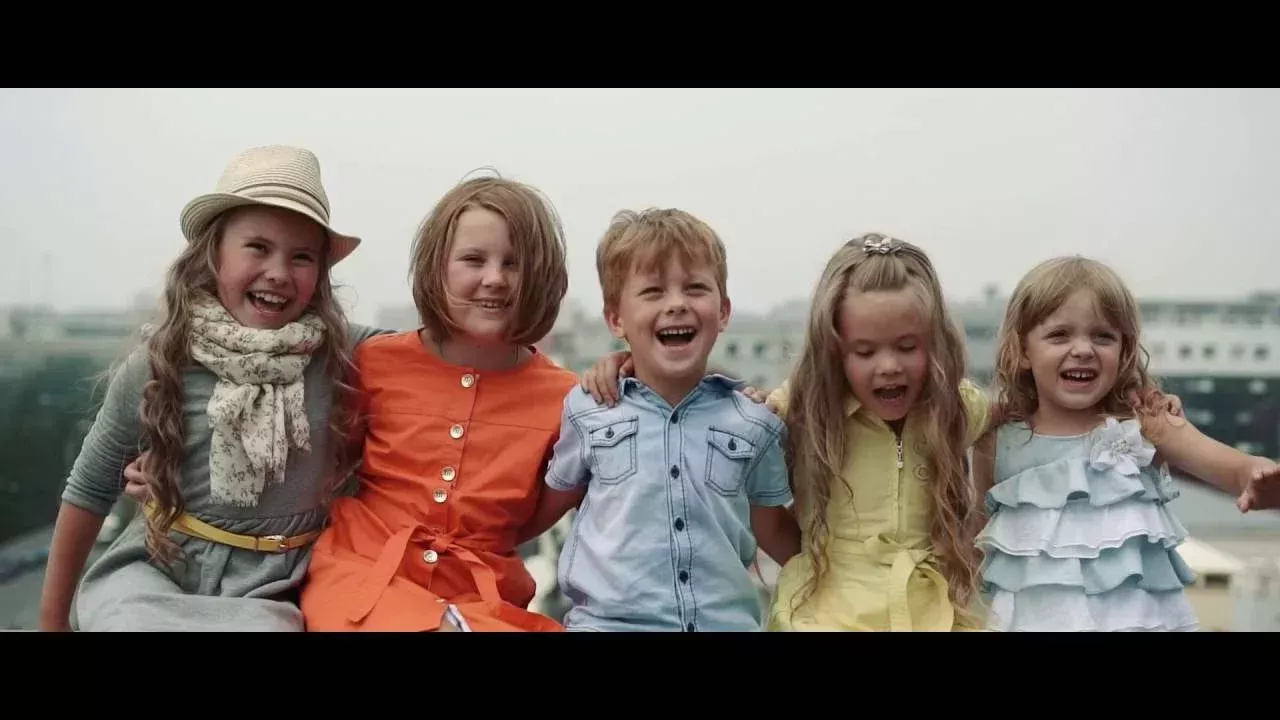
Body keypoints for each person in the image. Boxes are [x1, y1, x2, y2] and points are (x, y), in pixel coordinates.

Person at [39, 144, 381, 631]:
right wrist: (52, 622)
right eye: (257, 247)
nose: (279, 272)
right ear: (212, 253)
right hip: (159, 570)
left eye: (302, 257)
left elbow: (436, 354)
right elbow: (90, 488)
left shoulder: (346, 356)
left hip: (277, 586)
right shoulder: (161, 362)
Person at [583, 233, 992, 631]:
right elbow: (702, 409)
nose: (888, 366)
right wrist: (627, 364)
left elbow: (1014, 417)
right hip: (824, 615)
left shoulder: (954, 408)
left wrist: (973, 533)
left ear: (935, 343)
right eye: (865, 351)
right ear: (834, 350)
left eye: (907, 347)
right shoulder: (803, 408)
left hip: (932, 613)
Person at [297, 173, 578, 632]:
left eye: (514, 263)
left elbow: (536, 517)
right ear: (437, 268)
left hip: (481, 599)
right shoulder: (374, 361)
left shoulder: (567, 398)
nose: (495, 279)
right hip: (360, 577)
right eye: (473, 260)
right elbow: (320, 462)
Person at [526, 208, 800, 632]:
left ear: (723, 311)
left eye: (695, 288)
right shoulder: (589, 409)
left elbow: (777, 534)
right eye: (653, 291)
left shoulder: (753, 423)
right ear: (616, 319)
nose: (676, 304)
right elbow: (540, 512)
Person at [972, 255, 1280, 632]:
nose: (1083, 349)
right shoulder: (997, 440)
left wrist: (1259, 476)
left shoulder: (1147, 427)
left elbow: (1229, 465)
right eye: (1060, 335)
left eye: (1103, 336)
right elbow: (976, 541)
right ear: (1023, 351)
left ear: (1124, 350)